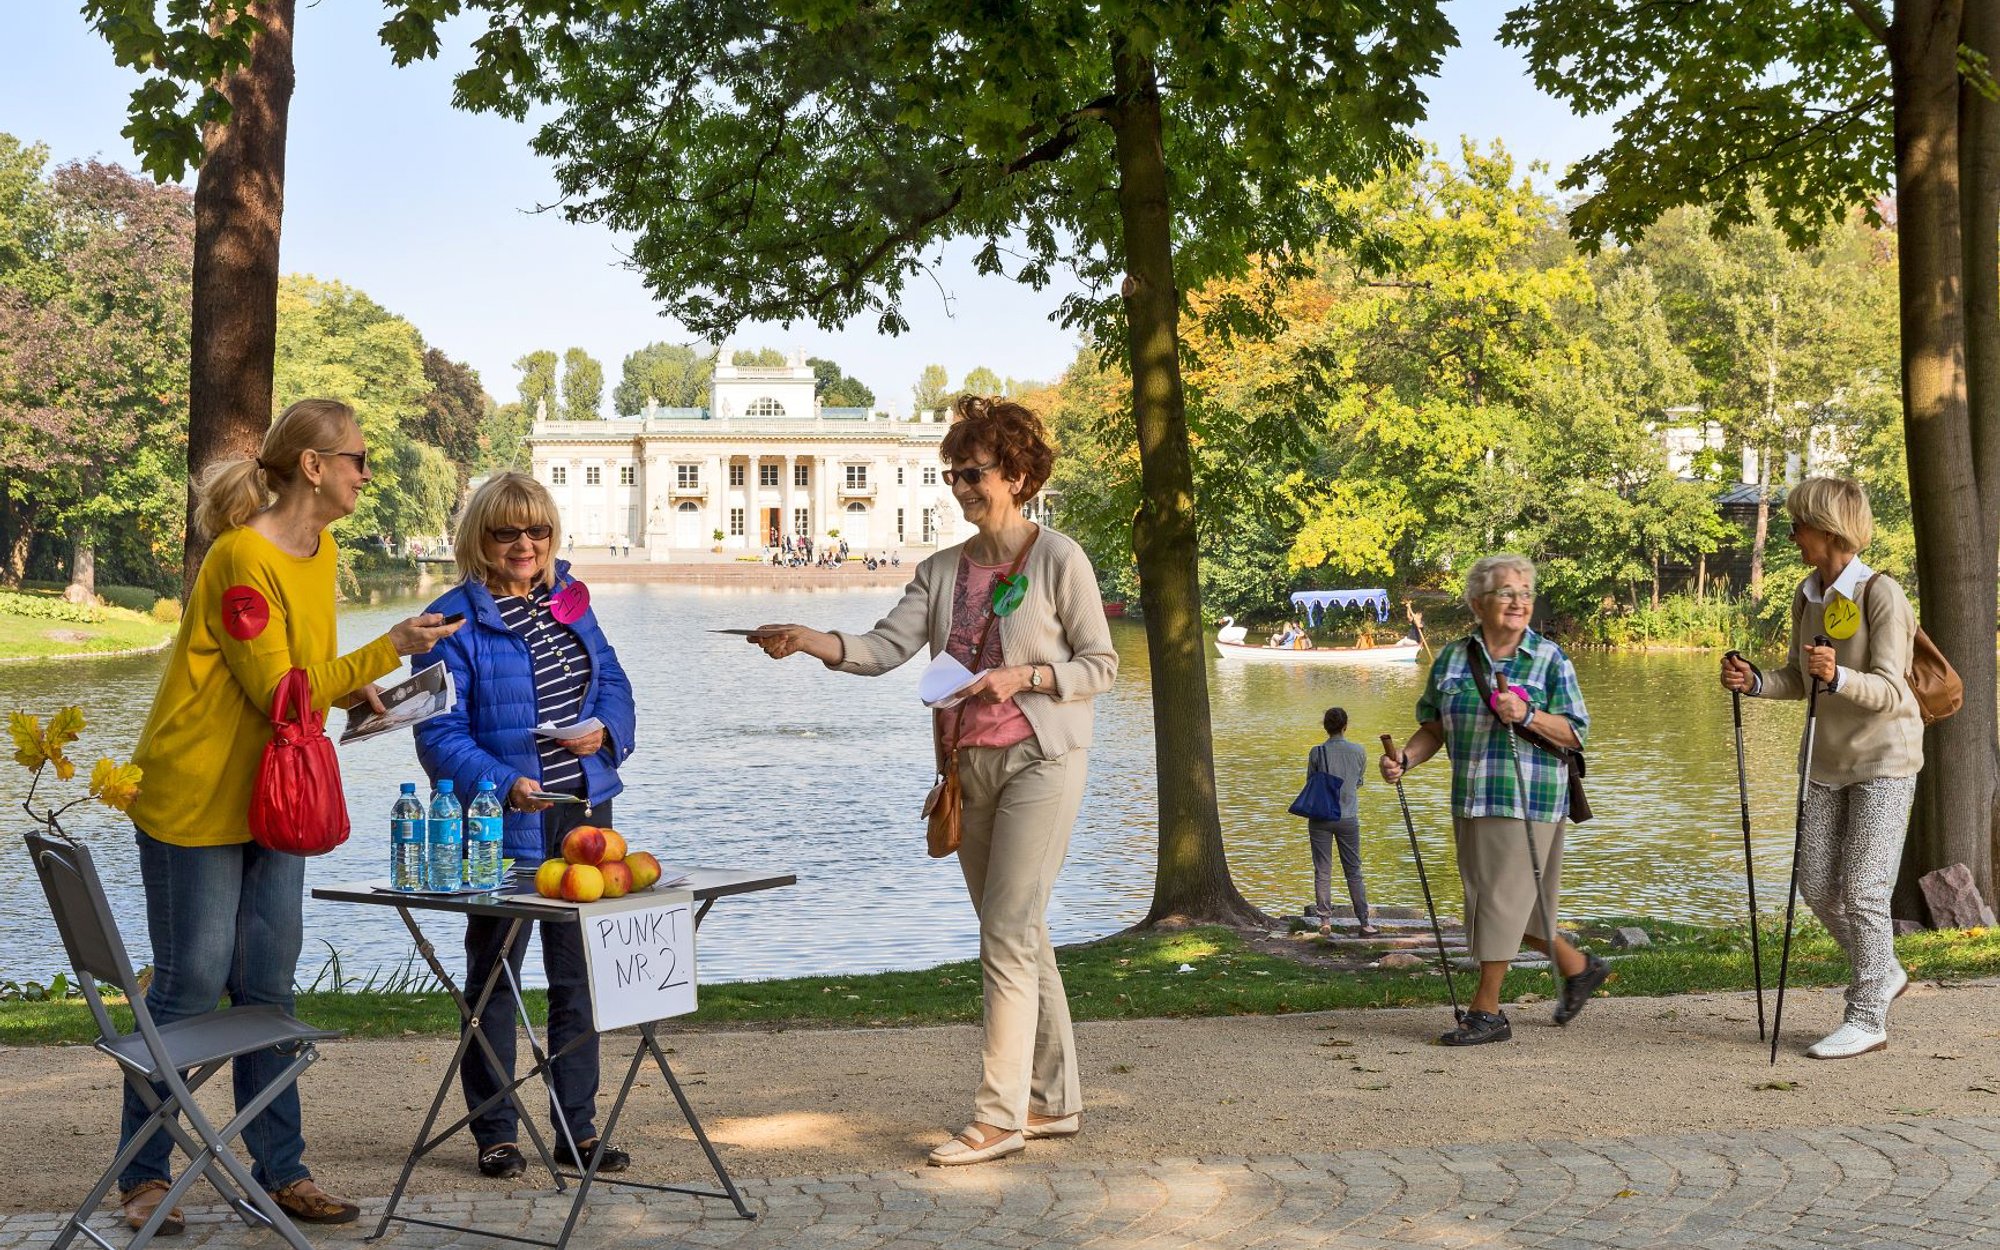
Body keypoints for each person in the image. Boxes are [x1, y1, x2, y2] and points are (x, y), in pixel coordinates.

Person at [118, 398, 460, 1234]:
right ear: (314, 466)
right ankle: (141, 1177)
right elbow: (278, 690)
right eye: (358, 458)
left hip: (277, 797)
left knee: (268, 985)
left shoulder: (322, 548)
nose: (366, 473)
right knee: (194, 987)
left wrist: (359, 687)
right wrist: (393, 646)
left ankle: (282, 1173)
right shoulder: (242, 558)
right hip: (197, 797)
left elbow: (304, 668)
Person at [749, 395, 1117, 1166]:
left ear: (1017, 474)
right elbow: (885, 648)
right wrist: (810, 639)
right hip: (964, 770)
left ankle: (999, 1117)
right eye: (952, 474)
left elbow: (1100, 667)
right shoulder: (941, 569)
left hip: (1042, 760)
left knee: (1007, 933)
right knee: (1021, 933)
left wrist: (1026, 676)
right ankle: (1053, 1102)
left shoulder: (1060, 559)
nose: (961, 487)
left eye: (974, 473)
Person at [413, 471, 639, 1178]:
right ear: (479, 536)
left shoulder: (570, 602)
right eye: (507, 530)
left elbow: (615, 686)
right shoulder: (450, 621)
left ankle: (577, 1130)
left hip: (583, 817)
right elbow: (437, 734)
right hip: (500, 821)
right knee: (495, 978)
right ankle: (496, 1133)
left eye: (537, 530)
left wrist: (602, 730)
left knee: (577, 979)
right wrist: (505, 783)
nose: (524, 543)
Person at [1721, 477, 1922, 1060]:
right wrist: (1756, 681)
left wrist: (1837, 676)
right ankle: (1882, 969)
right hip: (1825, 760)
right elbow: (1797, 675)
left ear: (1831, 530)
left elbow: (1889, 690)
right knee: (1816, 886)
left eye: (1799, 526)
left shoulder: (1881, 595)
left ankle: (1867, 1016)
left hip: (1886, 757)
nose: (1793, 536)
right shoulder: (1808, 596)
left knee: (1862, 890)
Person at [1378, 553, 1604, 1047]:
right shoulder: (1455, 660)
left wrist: (1526, 713)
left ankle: (1487, 1011)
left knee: (1498, 901)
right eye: (1507, 592)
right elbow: (1433, 726)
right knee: (1512, 908)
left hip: (1529, 797)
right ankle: (1579, 966)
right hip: (1472, 796)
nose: (1519, 602)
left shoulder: (1548, 658)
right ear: (1478, 602)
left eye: (1525, 593)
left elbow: (1576, 733)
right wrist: (1407, 761)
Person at [1306, 708, 1376, 937]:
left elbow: (1311, 783)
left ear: (1325, 726)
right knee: (1354, 870)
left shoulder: (1317, 752)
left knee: (1323, 870)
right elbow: (1358, 781)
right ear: (1346, 725)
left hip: (1320, 817)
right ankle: (1364, 922)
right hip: (1348, 817)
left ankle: (1325, 921)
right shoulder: (1359, 751)